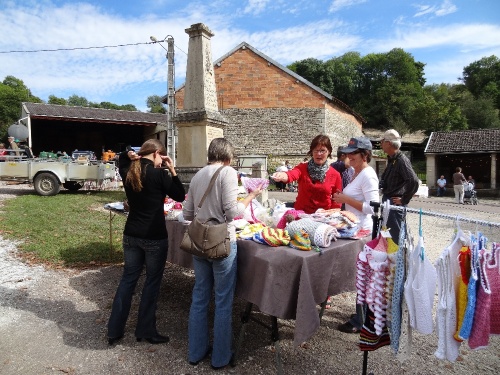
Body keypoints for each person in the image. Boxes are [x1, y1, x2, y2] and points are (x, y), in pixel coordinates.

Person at [183, 138, 263, 370]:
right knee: (223, 301)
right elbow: (231, 212)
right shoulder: (227, 173)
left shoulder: (198, 175)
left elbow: (188, 213)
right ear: (228, 158)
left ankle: (195, 352)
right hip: (221, 242)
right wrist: (250, 197)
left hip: (199, 241)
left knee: (199, 296)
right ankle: (220, 357)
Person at [107, 139, 185, 346]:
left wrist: (129, 154)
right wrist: (172, 170)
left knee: (128, 280)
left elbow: (120, 160)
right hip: (153, 236)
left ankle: (114, 330)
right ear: (157, 153)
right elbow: (180, 195)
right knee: (151, 282)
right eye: (161, 156)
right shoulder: (160, 175)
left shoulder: (129, 171)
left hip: (131, 233)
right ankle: (145, 330)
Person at [332, 137, 380, 334]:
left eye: (353, 153)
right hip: (353, 228)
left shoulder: (368, 175)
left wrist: (345, 199)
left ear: (365, 155)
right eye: (348, 153)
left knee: (364, 276)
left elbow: (373, 208)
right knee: (361, 276)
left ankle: (362, 320)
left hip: (363, 232)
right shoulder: (355, 172)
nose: (349, 156)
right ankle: (361, 316)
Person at [272, 134, 342, 214]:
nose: (319, 154)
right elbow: (292, 174)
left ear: (329, 152)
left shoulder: (335, 174)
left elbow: (337, 201)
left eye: (322, 150)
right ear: (312, 151)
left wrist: (330, 214)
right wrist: (283, 175)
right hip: (300, 215)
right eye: (316, 150)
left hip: (323, 218)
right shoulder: (302, 168)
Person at [379, 129, 419, 241]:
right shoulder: (393, 159)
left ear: (389, 143)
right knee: (388, 233)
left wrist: (404, 199)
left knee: (396, 235)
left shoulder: (401, 160)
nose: (381, 144)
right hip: (389, 201)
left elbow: (413, 181)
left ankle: (399, 257)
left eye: (382, 141)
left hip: (395, 203)